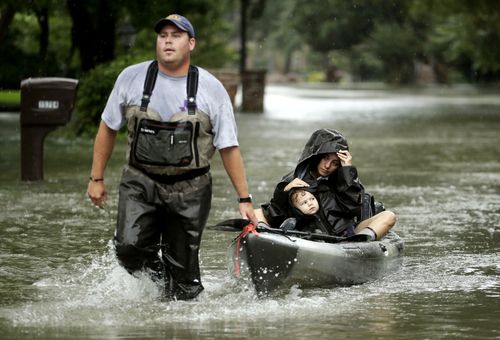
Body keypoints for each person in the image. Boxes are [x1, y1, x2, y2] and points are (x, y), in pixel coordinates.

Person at [86, 14, 257, 300]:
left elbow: (228, 146)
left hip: (191, 189)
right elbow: (107, 127)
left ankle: (180, 302)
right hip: (139, 182)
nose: (167, 40)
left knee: (184, 279)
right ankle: (160, 285)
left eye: (176, 35)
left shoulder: (211, 88)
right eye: (163, 34)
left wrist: (244, 198)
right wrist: (96, 178)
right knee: (128, 249)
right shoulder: (131, 77)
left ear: (191, 43)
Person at [259, 128, 396, 240]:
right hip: (310, 236)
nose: (328, 165)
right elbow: (275, 215)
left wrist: (347, 170)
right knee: (256, 212)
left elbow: (353, 208)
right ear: (316, 156)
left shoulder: (345, 178)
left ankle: (360, 242)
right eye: (325, 158)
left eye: (335, 163)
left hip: (346, 236)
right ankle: (262, 237)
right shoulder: (293, 179)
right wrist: (283, 193)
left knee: (389, 216)